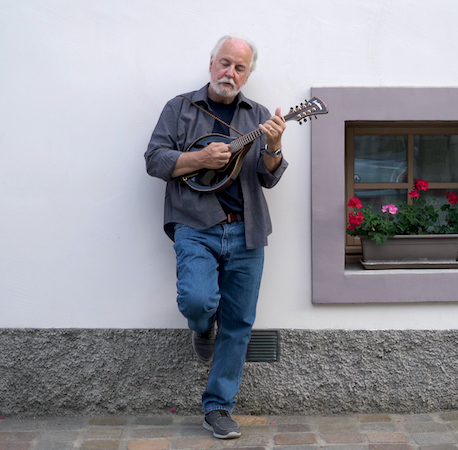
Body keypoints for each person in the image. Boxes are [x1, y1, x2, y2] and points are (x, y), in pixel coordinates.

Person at [144, 35, 287, 440]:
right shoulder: (180, 108)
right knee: (197, 299)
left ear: (248, 74)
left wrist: (273, 147)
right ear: (211, 64)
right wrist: (199, 159)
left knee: (239, 322)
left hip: (247, 229)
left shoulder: (258, 116)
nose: (231, 73)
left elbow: (268, 176)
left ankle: (218, 408)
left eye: (240, 67)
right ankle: (202, 325)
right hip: (195, 224)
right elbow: (155, 160)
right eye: (225, 63)